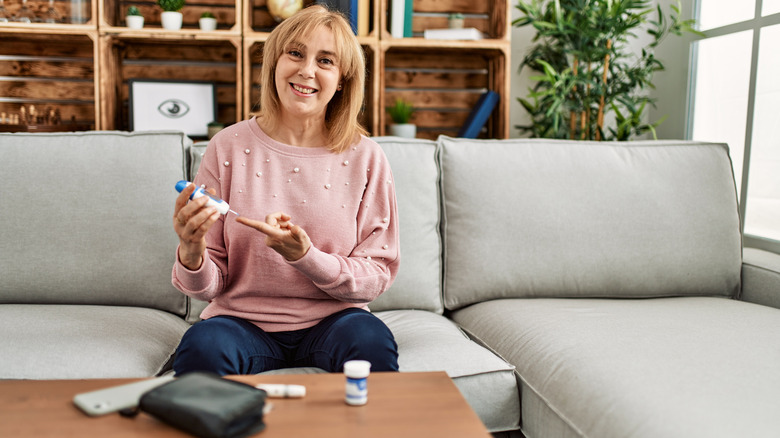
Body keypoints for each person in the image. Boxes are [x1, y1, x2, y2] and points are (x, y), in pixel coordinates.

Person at [171, 4, 400, 376]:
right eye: (295, 53)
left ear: (342, 79)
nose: (306, 70)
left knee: (370, 340)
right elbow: (206, 287)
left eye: (325, 61)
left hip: (336, 321)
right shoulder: (226, 147)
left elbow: (376, 276)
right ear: (275, 62)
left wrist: (306, 257)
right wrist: (192, 250)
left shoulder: (366, 157)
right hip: (240, 323)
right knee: (203, 347)